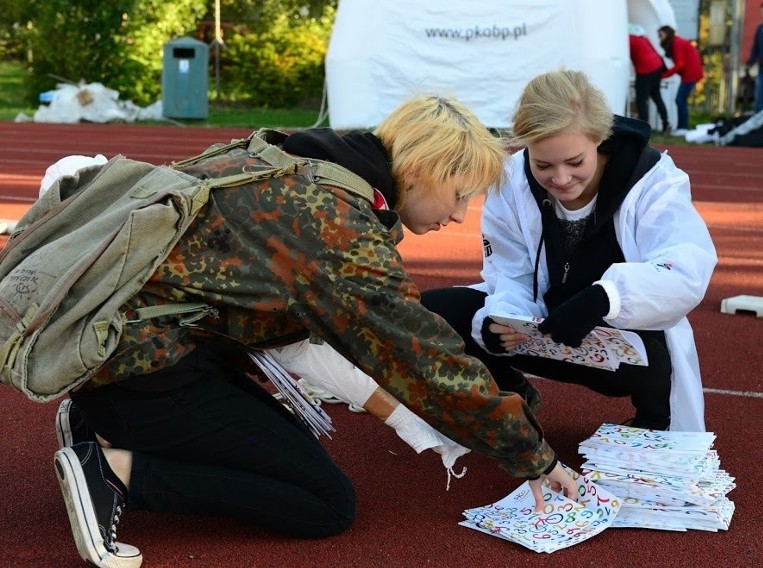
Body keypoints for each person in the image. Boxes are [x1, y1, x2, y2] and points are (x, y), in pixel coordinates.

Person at [50, 94, 578, 568]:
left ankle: (102, 419)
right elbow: (424, 358)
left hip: (128, 345)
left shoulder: (294, 157)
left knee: (289, 447)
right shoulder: (336, 226)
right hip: (142, 365)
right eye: (459, 194)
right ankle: (113, 472)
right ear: (421, 169)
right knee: (322, 503)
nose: (460, 215)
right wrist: (531, 453)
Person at [421, 69, 717, 437]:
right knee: (432, 313)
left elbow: (685, 268)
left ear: (599, 139)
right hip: (544, 326)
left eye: (575, 162)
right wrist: (503, 320)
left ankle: (654, 424)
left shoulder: (653, 180)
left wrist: (604, 298)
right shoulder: (511, 180)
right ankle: (509, 398)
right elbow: (509, 271)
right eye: (543, 164)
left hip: (620, 341)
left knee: (658, 354)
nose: (561, 179)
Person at [657, 25, 704, 134]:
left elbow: (680, 64)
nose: (660, 38)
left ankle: (683, 128)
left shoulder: (676, 43)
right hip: (690, 73)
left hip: (690, 74)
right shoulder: (676, 42)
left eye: (661, 35)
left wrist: (665, 75)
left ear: (667, 34)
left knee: (680, 100)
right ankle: (682, 127)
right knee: (680, 100)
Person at [628, 26, 670, 134]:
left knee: (641, 99)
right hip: (657, 66)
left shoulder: (627, 39)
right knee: (656, 96)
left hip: (645, 69)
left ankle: (643, 128)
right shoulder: (642, 37)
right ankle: (666, 124)